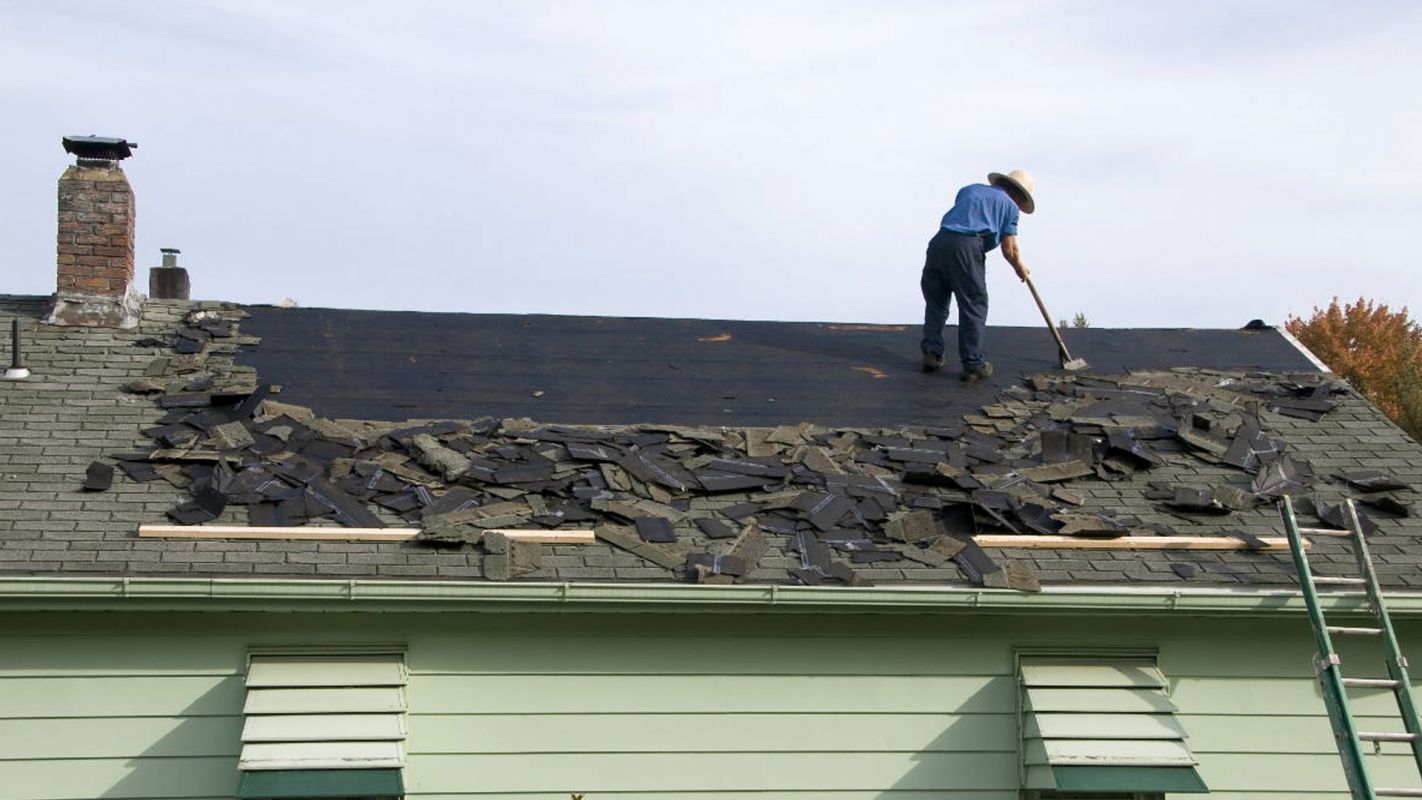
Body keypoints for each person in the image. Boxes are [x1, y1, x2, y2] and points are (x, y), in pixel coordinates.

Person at [919, 169, 1035, 381]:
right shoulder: (1010, 207)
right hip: (967, 246)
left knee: (936, 302)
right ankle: (973, 364)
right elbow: (1010, 250)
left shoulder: (969, 190)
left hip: (939, 243)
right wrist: (1020, 267)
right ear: (1018, 195)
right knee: (974, 303)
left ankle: (932, 353)